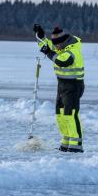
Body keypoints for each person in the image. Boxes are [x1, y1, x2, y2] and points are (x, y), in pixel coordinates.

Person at [33, 24, 85, 153]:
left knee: (71, 114)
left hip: (73, 85)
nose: (55, 47)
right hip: (62, 85)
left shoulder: (72, 50)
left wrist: (49, 53)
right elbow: (46, 45)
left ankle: (76, 144)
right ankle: (66, 141)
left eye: (56, 45)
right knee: (61, 114)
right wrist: (41, 36)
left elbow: (63, 61)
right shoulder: (60, 46)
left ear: (62, 42)